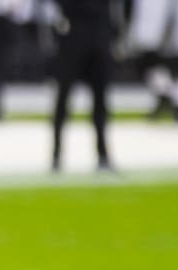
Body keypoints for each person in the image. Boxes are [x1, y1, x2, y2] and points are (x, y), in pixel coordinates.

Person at [50, 0, 115, 172]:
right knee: (63, 98)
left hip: (99, 37)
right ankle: (56, 155)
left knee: (100, 101)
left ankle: (103, 155)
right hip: (73, 36)